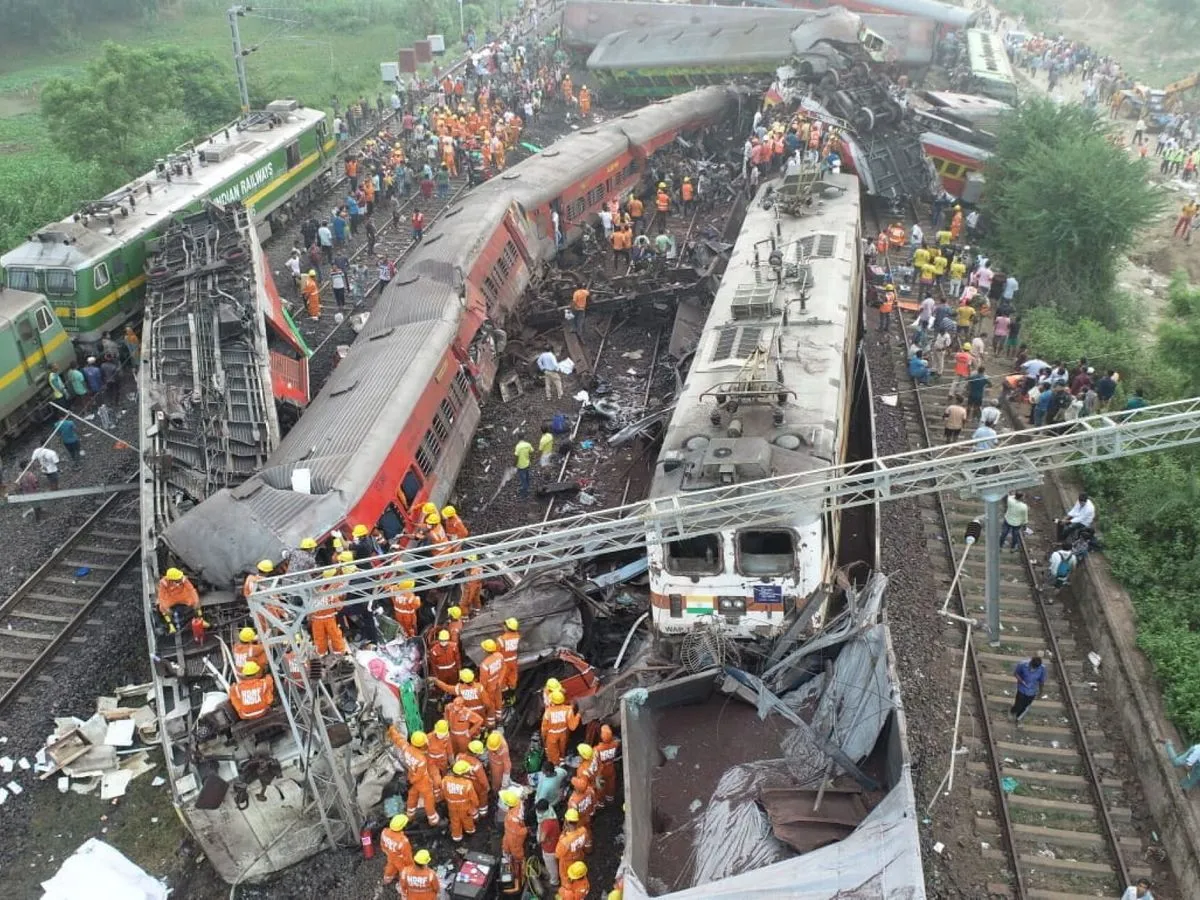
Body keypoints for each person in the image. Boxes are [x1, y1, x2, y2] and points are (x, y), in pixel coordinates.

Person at [401, 730, 442, 824]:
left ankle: (410, 816)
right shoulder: (421, 759)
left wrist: (391, 728)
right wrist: (411, 781)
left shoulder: (406, 748)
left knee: (412, 797)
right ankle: (433, 820)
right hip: (422, 782)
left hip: (412, 777)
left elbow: (399, 740)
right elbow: (420, 775)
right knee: (429, 800)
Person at [442, 759, 481, 841]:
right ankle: (470, 832)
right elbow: (474, 799)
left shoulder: (445, 780)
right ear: (463, 773)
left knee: (454, 821)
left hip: (451, 806)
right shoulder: (467, 784)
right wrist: (475, 806)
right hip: (465, 807)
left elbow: (443, 793)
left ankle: (457, 837)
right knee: (467, 820)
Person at [156, 567, 202, 634]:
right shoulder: (163, 583)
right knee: (161, 607)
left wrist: (196, 601)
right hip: (170, 598)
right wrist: (166, 608)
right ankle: (171, 626)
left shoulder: (183, 578)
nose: (180, 579)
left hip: (182, 595)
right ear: (171, 579)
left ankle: (200, 619)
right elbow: (161, 597)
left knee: (194, 601)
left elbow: (191, 590)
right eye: (177, 579)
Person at [500, 789, 528, 894]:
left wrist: (507, 850)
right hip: (513, 838)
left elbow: (515, 836)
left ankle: (519, 882)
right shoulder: (519, 803)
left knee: (518, 863)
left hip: (515, 844)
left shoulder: (511, 819)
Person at [542, 690, 581, 764]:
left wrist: (544, 738)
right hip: (563, 734)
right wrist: (578, 715)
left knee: (553, 754)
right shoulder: (568, 709)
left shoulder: (548, 712)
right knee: (562, 750)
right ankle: (562, 762)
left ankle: (555, 765)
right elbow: (572, 727)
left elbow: (544, 729)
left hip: (551, 735)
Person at [1010, 656, 1046, 725]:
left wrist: (1040, 692)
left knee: (1025, 706)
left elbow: (1041, 682)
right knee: (1018, 705)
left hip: (1032, 691)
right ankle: (1013, 711)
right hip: (1022, 689)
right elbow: (1016, 674)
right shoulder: (1022, 664)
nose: (1033, 669)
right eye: (1032, 666)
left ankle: (1018, 718)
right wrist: (1021, 681)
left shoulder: (1042, 669)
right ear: (1030, 662)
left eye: (1035, 668)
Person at [380, 814, 414, 886]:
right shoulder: (403, 841)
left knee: (390, 868)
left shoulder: (384, 832)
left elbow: (383, 845)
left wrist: (388, 852)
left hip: (390, 856)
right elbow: (407, 857)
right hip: (399, 859)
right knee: (404, 871)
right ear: (402, 826)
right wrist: (411, 866)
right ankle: (404, 885)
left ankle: (386, 880)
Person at [536, 801, 562, 888]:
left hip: (549, 848)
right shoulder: (551, 813)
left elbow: (542, 839)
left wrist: (538, 840)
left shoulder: (547, 823)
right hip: (556, 842)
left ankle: (554, 882)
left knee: (551, 866)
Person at [498, 617, 520, 691]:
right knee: (513, 674)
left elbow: (497, 651)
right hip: (513, 660)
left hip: (504, 662)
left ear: (507, 627)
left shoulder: (501, 639)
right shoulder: (517, 636)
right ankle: (512, 687)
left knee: (503, 676)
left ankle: (504, 690)